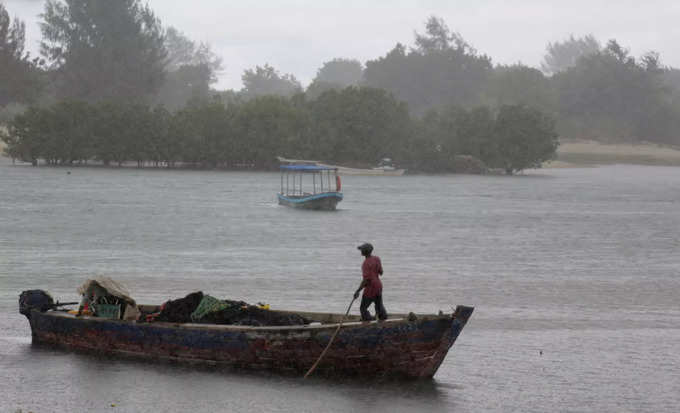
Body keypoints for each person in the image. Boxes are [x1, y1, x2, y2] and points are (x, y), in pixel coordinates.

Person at [353, 243, 388, 321]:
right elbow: (381, 272)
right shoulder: (377, 259)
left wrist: (357, 291)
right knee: (379, 305)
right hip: (378, 285)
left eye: (361, 250)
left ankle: (369, 320)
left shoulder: (365, 264)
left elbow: (366, 280)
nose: (360, 251)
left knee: (363, 308)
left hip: (371, 287)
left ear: (365, 251)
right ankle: (383, 317)